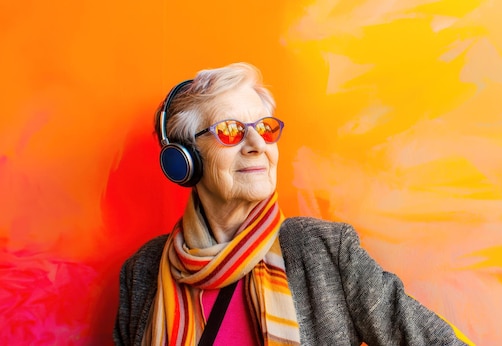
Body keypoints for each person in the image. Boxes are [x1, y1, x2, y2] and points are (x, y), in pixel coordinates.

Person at [113, 62, 472, 346]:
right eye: (231, 131)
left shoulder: (326, 251)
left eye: (265, 128)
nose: (257, 144)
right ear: (185, 160)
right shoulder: (143, 272)